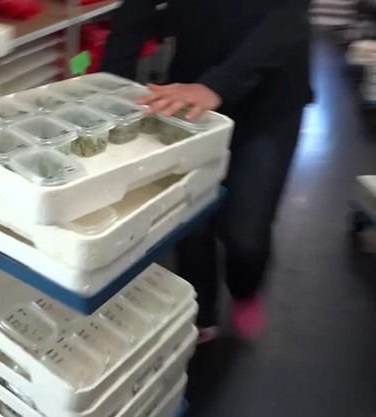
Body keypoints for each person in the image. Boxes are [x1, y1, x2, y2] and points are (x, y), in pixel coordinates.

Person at [101, 0, 312, 341]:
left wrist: (219, 84)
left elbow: (289, 21)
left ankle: (245, 290)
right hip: (191, 89)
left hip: (270, 101)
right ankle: (202, 307)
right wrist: (111, 90)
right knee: (190, 212)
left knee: (247, 234)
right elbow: (134, 16)